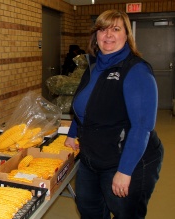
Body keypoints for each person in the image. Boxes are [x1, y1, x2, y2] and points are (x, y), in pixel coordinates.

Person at [64, 9, 164, 219]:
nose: (108, 35)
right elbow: (83, 107)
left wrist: (125, 171)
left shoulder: (136, 70)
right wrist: (73, 133)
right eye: (102, 30)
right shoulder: (93, 66)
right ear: (96, 36)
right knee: (88, 208)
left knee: (125, 213)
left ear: (126, 35)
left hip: (127, 159)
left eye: (116, 29)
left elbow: (142, 126)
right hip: (93, 159)